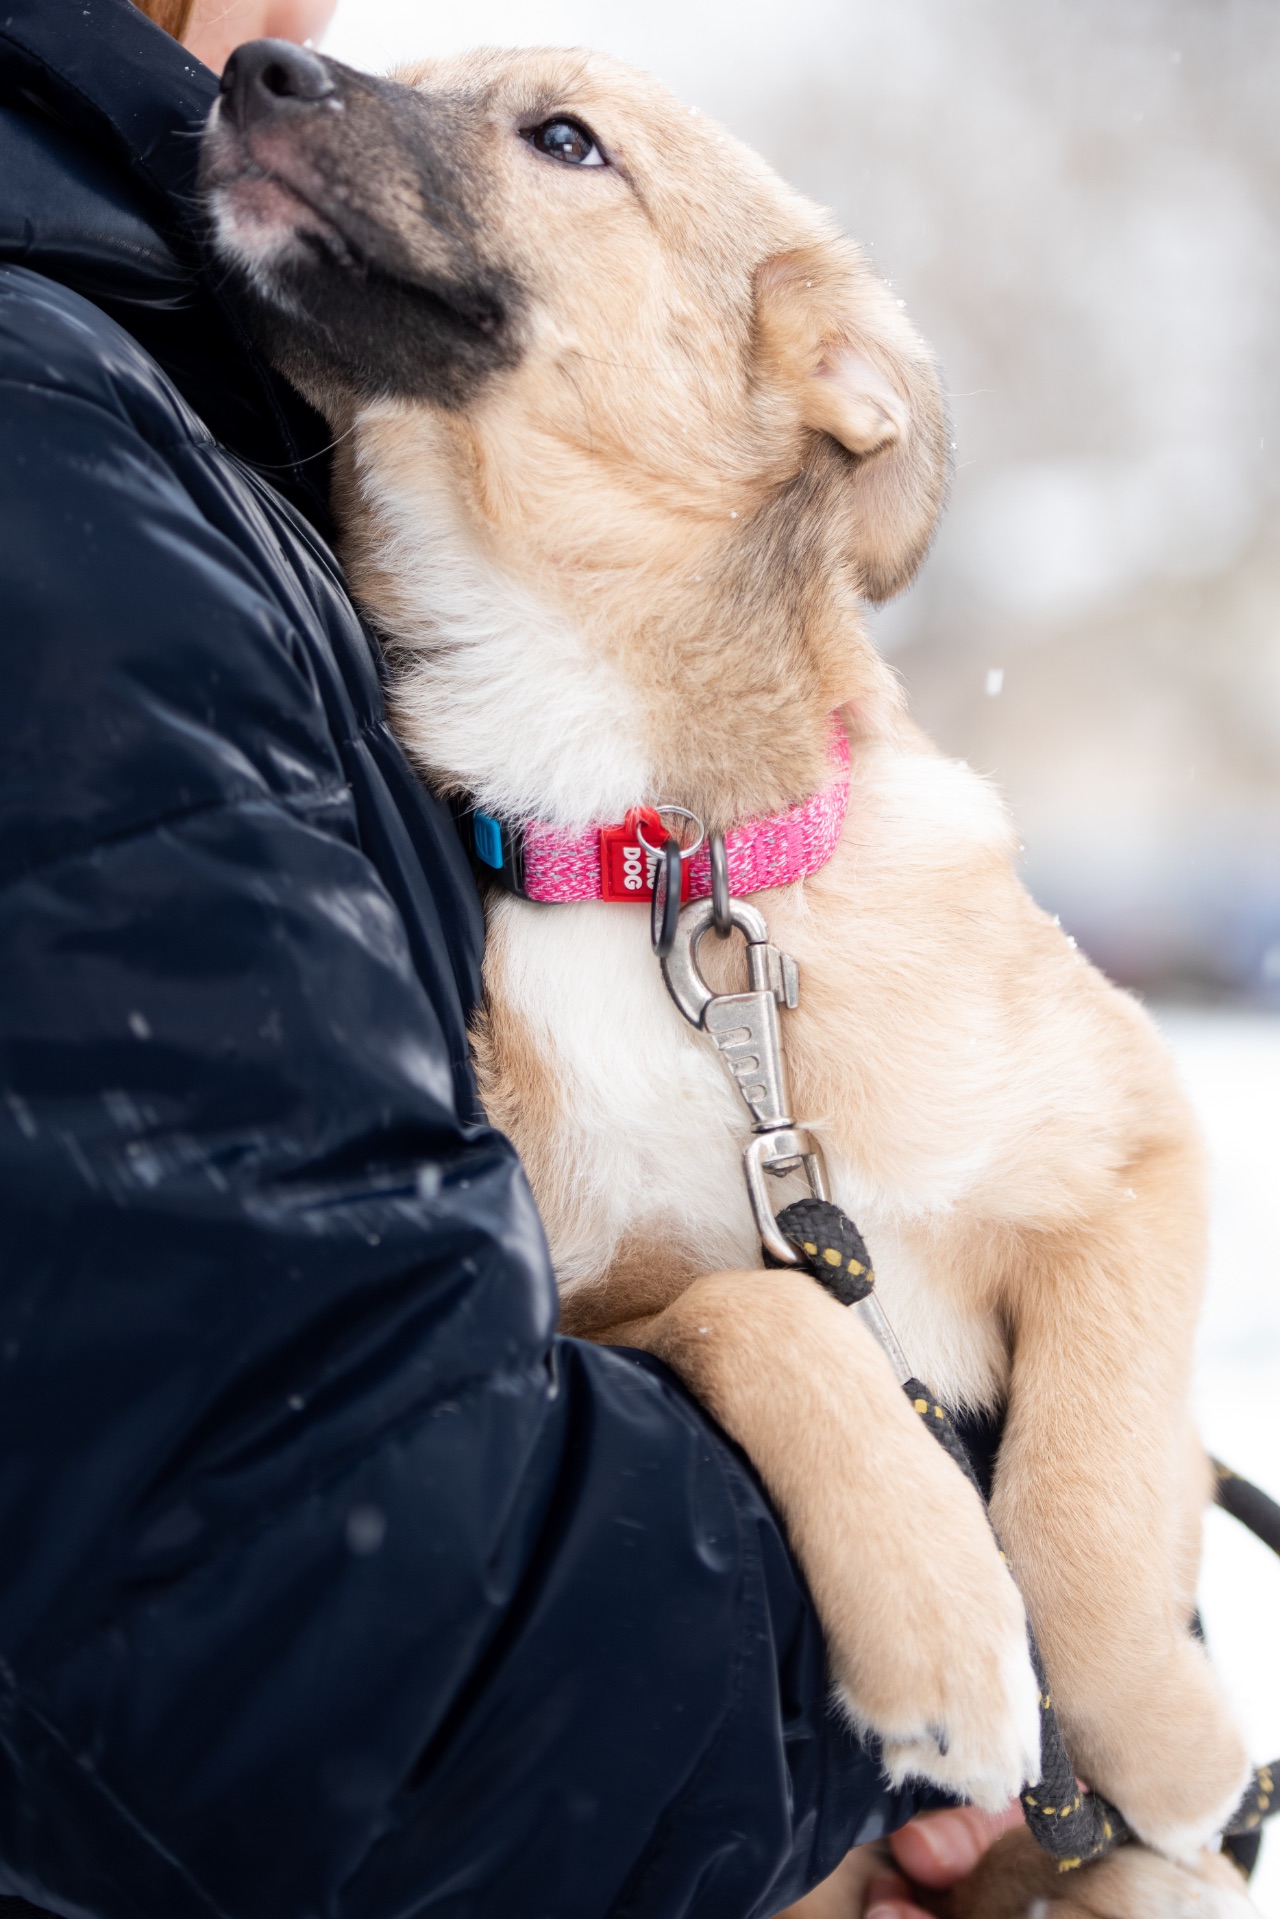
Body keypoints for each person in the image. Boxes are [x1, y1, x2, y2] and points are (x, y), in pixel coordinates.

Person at [0, 0, 1019, 1911]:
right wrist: (941, 1562)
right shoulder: (65, 424)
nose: (303, 55)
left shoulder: (177, 378)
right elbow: (339, 1625)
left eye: (549, 140)